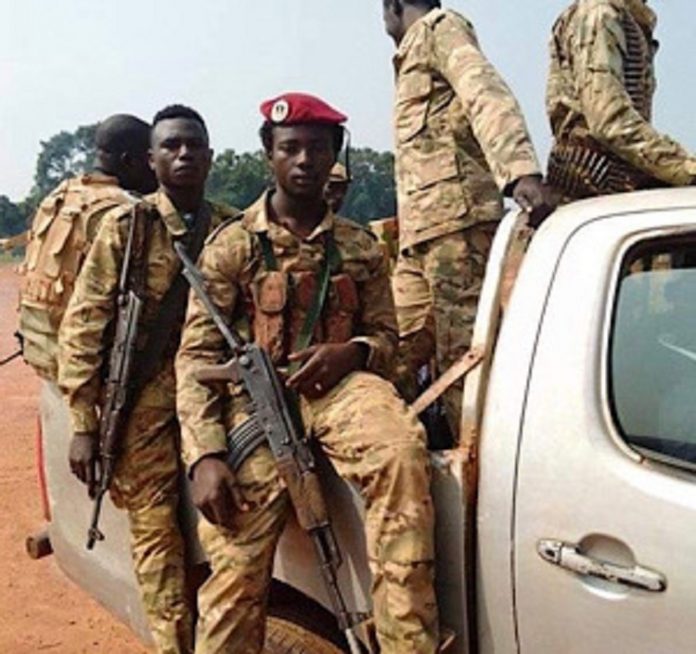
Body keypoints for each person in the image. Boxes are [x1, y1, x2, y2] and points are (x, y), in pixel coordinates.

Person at [176, 92, 439, 654]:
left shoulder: (360, 247)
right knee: (234, 574)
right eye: (290, 148)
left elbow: (392, 345)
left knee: (401, 453)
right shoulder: (234, 247)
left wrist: (354, 352)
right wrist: (205, 455)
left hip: (342, 392)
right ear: (268, 154)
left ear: (334, 154)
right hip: (256, 408)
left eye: (317, 149)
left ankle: (407, 641)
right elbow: (195, 362)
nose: (304, 161)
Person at [58, 105, 238, 654]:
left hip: (213, 395)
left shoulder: (233, 228)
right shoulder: (128, 230)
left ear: (209, 157)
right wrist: (84, 423)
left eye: (194, 146)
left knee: (228, 522)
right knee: (157, 540)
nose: (184, 155)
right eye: (172, 147)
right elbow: (84, 326)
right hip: (144, 406)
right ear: (152, 161)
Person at [382, 0, 553, 437]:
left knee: (466, 366)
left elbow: (484, 93)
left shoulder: (442, 28)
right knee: (390, 355)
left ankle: (478, 484)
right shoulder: (411, 55)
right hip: (420, 239)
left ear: (393, 6)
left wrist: (520, 173)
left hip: (458, 229)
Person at [19, 113, 157, 381]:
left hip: (44, 353)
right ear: (130, 161)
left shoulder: (59, 196)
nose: (156, 169)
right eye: (150, 160)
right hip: (87, 371)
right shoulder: (123, 212)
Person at [546, 0, 696, 202]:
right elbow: (608, 120)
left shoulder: (627, 18)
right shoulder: (600, 13)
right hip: (588, 195)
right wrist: (685, 168)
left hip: (607, 190)